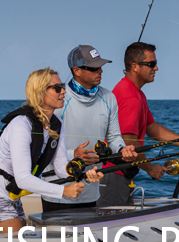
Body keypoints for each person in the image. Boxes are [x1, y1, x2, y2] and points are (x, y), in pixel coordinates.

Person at [0, 68, 102, 232]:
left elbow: (61, 168)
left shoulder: (57, 124)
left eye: (62, 86)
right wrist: (63, 191)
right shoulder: (21, 124)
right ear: (40, 92)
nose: (64, 91)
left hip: (12, 196)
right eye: (57, 88)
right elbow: (23, 179)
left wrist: (83, 175)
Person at [40, 45, 136, 212]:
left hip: (91, 190)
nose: (100, 71)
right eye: (94, 68)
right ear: (76, 71)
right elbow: (43, 146)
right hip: (58, 191)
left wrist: (122, 150)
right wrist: (73, 155)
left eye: (101, 66)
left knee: (87, 238)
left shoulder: (108, 97)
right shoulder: (59, 100)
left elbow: (114, 137)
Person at [103, 42, 179, 206]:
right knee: (107, 227)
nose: (156, 68)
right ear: (135, 66)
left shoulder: (137, 93)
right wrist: (150, 168)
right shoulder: (129, 97)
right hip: (112, 175)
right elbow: (128, 141)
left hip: (122, 174)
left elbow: (152, 128)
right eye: (151, 64)